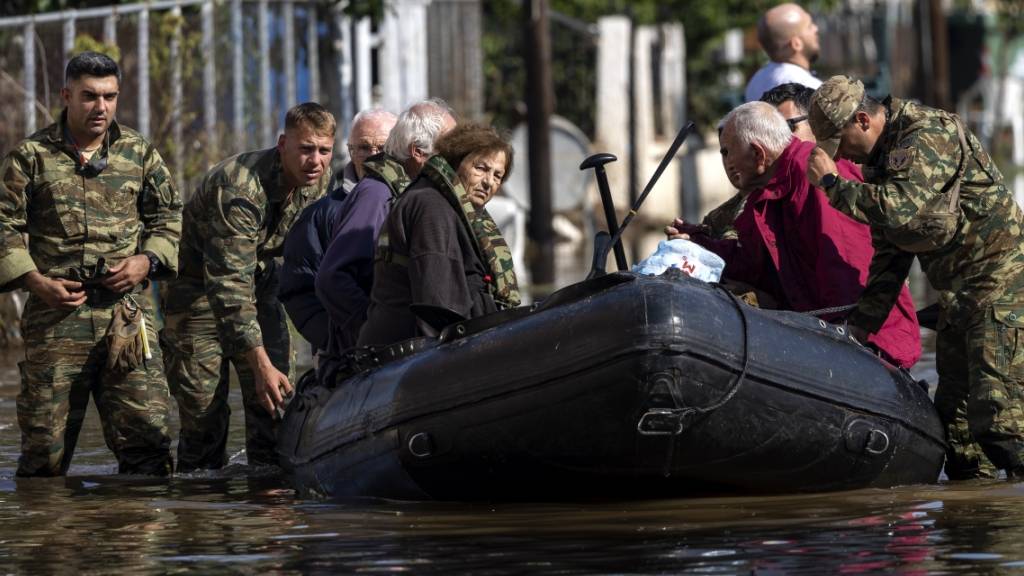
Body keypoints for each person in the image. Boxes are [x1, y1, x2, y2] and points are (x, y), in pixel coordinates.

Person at [805, 75, 1024, 479]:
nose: (846, 159)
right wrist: (861, 328)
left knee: (1002, 423)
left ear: (863, 120)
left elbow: (898, 209)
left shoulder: (927, 134)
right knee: (958, 439)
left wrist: (831, 185)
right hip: (959, 298)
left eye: (844, 146)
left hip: (1001, 286)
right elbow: (892, 250)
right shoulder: (881, 159)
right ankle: (975, 529)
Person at [0, 51, 181, 476]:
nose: (101, 107)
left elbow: (170, 217)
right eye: (89, 96)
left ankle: (132, 536)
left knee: (149, 446)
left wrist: (147, 260)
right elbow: (3, 223)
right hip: (57, 316)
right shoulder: (31, 157)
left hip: (127, 317)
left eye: (110, 96)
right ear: (66, 95)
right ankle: (51, 536)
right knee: (44, 454)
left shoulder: (139, 153)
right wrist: (34, 281)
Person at [667, 101, 921, 368]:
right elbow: (755, 267)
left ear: (758, 154)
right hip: (818, 337)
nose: (726, 163)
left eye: (727, 152)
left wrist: (848, 343)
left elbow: (845, 266)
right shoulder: (766, 195)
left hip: (874, 345)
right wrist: (698, 244)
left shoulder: (811, 176)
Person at [160, 102, 335, 471]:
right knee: (203, 419)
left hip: (261, 282)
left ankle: (268, 510)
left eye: (323, 150)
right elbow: (228, 285)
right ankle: (202, 513)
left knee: (276, 407)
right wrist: (259, 363)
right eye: (305, 149)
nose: (314, 161)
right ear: (282, 143)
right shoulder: (240, 188)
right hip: (198, 295)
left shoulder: (317, 181)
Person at [357, 123, 520, 347]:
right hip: (410, 353)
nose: (488, 182)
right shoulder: (432, 206)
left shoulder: (450, 207)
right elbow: (438, 306)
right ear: (456, 160)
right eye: (481, 168)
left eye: (497, 175)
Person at [315, 99, 455, 353]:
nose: (457, 159)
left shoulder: (411, 192)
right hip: (375, 357)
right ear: (418, 152)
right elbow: (332, 278)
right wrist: (371, 333)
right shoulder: (377, 194)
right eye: (449, 149)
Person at [280, 108, 396, 353]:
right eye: (364, 148)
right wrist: (335, 342)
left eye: (383, 148)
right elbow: (300, 293)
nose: (374, 157)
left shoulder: (413, 203)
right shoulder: (319, 215)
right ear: (351, 151)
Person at [702, 82, 820, 241]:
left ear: (817, 126)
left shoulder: (835, 188)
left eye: (786, 128)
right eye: (763, 131)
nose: (774, 139)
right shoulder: (722, 219)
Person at [744, 3, 822, 102]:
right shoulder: (807, 88)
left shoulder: (755, 82)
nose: (816, 29)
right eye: (809, 26)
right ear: (796, 44)